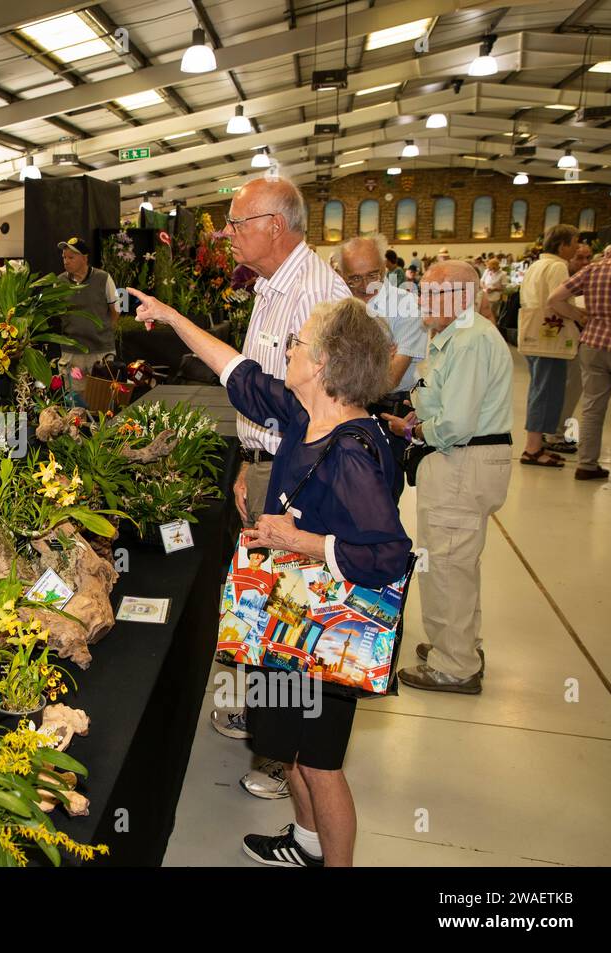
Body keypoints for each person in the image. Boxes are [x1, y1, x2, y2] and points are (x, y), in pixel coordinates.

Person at [130, 288, 411, 867]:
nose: (287, 349)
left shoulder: (352, 451)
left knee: (322, 764)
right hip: (292, 624)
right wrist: (171, 315)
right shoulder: (307, 412)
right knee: (297, 755)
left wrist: (301, 540)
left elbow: (388, 555)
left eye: (297, 343)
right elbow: (235, 369)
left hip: (329, 635)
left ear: (325, 364)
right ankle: (305, 844)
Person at [206, 175, 351, 801]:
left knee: (287, 611)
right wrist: (245, 459)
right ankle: (267, 726)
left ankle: (281, 755)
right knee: (263, 604)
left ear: (276, 224)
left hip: (304, 478)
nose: (228, 235)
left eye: (238, 223)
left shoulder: (318, 295)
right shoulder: (271, 287)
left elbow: (315, 408)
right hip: (269, 463)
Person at [383, 261, 513, 694]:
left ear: (459, 296)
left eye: (431, 293)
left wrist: (413, 430)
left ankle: (454, 665)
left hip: (461, 460)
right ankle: (458, 645)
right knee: (455, 562)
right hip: (461, 462)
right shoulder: (457, 337)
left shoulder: (470, 340)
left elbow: (454, 424)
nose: (420, 302)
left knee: (447, 566)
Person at [547, 243, 611, 481]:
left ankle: (587, 464)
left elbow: (555, 298)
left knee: (592, 407)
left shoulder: (595, 269)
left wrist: (580, 316)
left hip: (592, 343)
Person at [336, 235, 425, 416]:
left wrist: (348, 364)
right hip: (342, 408)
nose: (366, 285)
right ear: (342, 275)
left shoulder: (406, 305)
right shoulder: (336, 304)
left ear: (384, 268)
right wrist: (379, 359)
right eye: (354, 278)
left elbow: (391, 378)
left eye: (372, 275)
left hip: (391, 411)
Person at [517, 224, 580, 467]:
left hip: (535, 334)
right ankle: (533, 448)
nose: (575, 248)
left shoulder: (536, 264)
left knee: (543, 389)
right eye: (574, 243)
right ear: (563, 245)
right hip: (549, 336)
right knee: (546, 392)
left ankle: (537, 444)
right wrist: (579, 314)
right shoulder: (557, 266)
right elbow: (556, 302)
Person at [544, 242, 597, 454]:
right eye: (579, 257)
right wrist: (579, 315)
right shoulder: (564, 278)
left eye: (588, 257)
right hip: (568, 340)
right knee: (567, 388)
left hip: (583, 341)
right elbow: (553, 301)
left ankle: (560, 432)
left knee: (575, 391)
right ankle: (555, 433)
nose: (585, 262)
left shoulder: (590, 279)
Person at [56, 237, 119, 392]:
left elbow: (115, 311)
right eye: (64, 257)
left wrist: (102, 333)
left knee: (103, 401)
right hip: (71, 354)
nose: (66, 261)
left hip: (101, 353)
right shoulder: (59, 282)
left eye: (71, 257)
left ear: (85, 258)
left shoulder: (103, 278)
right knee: (74, 404)